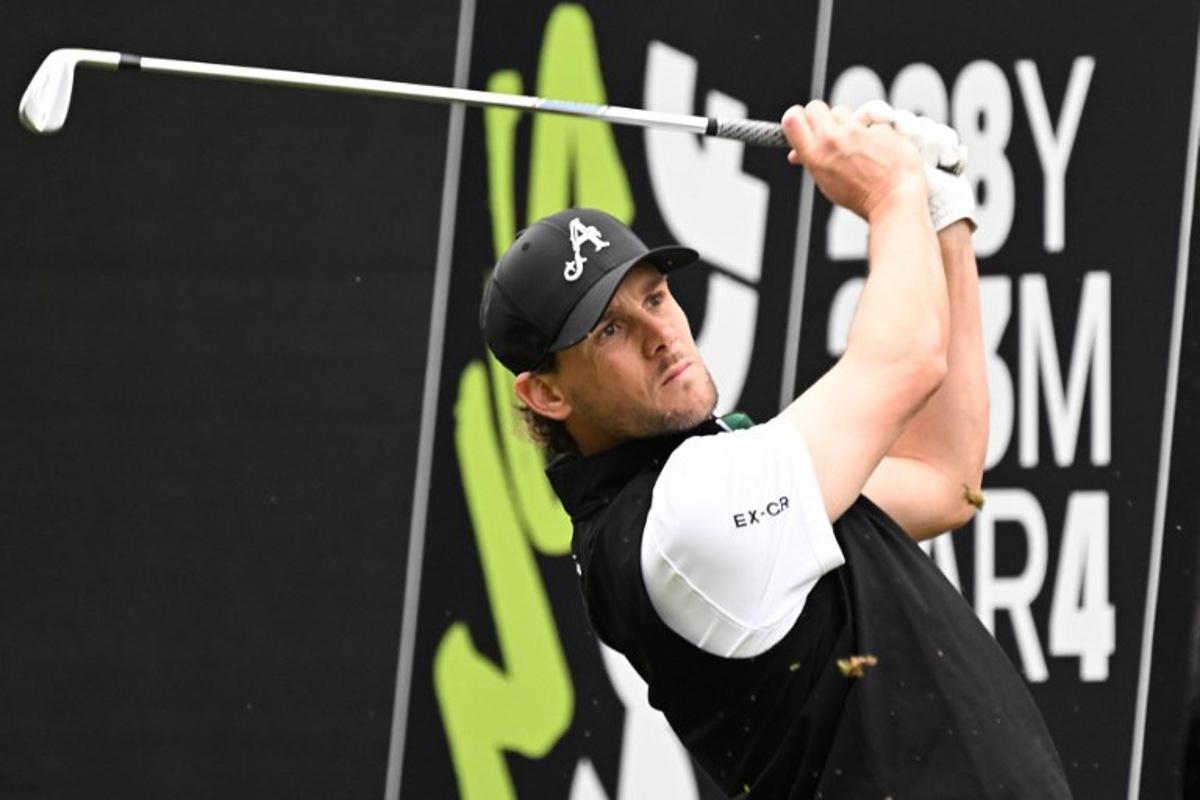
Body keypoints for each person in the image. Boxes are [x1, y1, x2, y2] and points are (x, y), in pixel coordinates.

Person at [479, 100, 1071, 798]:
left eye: (657, 297)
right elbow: (906, 359)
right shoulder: (680, 522)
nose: (660, 333)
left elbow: (942, 477)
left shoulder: (714, 481)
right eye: (608, 331)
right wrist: (891, 193)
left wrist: (940, 216)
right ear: (547, 395)